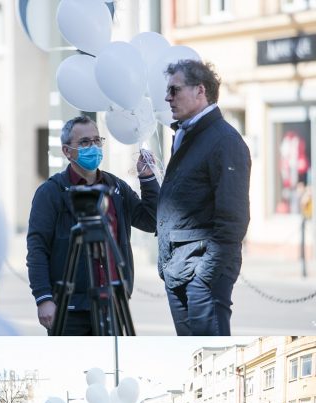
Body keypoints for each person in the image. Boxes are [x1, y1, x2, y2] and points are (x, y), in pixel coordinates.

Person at [26, 115, 158, 335]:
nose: (93, 147)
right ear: (67, 151)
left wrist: (148, 179)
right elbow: (37, 248)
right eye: (85, 142)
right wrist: (43, 298)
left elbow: (150, 221)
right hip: (69, 309)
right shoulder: (51, 192)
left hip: (113, 303)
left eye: (97, 140)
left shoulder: (115, 187)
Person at [157, 60, 251, 336]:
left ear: (200, 91)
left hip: (202, 273)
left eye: (174, 90)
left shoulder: (224, 140)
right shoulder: (187, 135)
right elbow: (178, 205)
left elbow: (233, 219)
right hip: (178, 268)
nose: (167, 97)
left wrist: (204, 276)